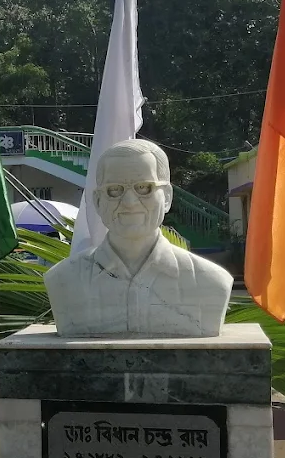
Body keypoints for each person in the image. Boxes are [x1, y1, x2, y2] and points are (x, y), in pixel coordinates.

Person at [44, 138, 232, 338]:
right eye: (114, 190)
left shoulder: (211, 282)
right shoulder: (62, 280)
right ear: (98, 201)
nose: (130, 202)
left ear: (167, 197)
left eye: (144, 188)